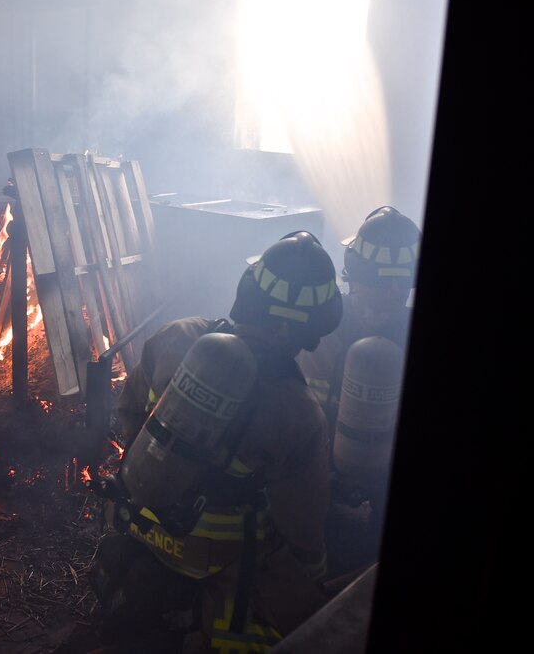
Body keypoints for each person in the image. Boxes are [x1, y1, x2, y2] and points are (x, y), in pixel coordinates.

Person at [90, 230, 343, 653]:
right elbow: (303, 525)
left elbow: (130, 410)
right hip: (217, 563)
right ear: (302, 331)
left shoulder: (175, 335)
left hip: (139, 524)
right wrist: (311, 580)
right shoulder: (298, 411)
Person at [296, 205, 421, 580]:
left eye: (398, 290)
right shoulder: (317, 328)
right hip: (310, 475)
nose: (390, 297)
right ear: (352, 278)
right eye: (380, 288)